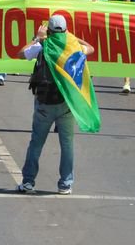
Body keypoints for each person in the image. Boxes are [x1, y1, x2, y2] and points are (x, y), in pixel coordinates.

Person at [17, 15, 94, 195]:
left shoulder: (42, 45)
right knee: (67, 144)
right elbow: (90, 48)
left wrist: (37, 37)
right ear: (66, 30)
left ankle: (28, 182)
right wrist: (72, 36)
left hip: (44, 103)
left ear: (49, 30)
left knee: (36, 143)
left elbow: (21, 53)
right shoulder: (73, 47)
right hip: (66, 103)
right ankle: (65, 184)